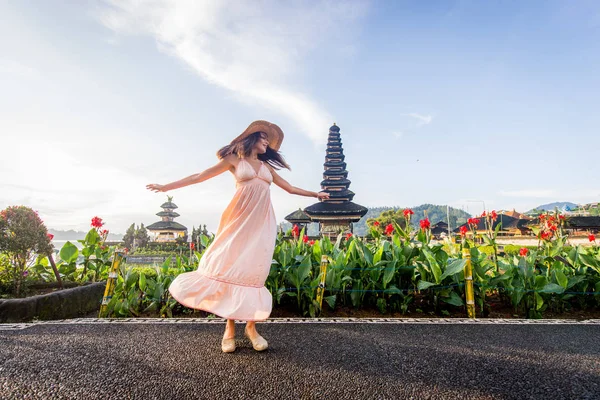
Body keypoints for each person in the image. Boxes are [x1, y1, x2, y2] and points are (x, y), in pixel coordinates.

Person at [146, 120, 329, 353]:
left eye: (267, 140)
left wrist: (316, 193)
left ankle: (251, 328)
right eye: (263, 137)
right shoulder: (234, 161)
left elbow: (290, 188)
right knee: (232, 268)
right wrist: (166, 187)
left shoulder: (267, 168)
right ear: (251, 138)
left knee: (254, 272)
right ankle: (229, 329)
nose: (266, 142)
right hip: (239, 220)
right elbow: (199, 176)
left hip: (262, 223)